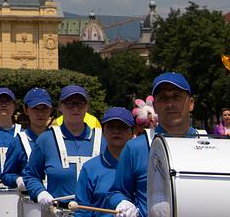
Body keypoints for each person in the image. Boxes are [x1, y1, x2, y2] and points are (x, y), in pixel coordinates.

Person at [106, 72, 205, 217]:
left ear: (190, 103)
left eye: (176, 97)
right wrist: (122, 202)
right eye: (163, 98)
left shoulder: (210, 146)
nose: (170, 103)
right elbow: (116, 192)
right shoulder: (135, 148)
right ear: (155, 106)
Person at [22, 84, 101, 212]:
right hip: (58, 212)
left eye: (80, 104)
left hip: (97, 212)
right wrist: (40, 192)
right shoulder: (46, 139)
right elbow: (31, 175)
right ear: (60, 107)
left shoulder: (102, 140)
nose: (75, 108)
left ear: (87, 107)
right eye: (69, 104)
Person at [75, 108, 133, 217]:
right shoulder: (89, 168)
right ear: (103, 131)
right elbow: (82, 212)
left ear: (132, 132)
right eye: (111, 127)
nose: (116, 131)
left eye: (122, 127)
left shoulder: (142, 166)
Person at [0, 87, 53, 191]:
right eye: (35, 108)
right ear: (26, 110)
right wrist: (17, 180)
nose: (40, 113)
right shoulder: (18, 142)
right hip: (29, 202)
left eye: (44, 108)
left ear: (50, 110)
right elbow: (6, 175)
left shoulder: (58, 138)